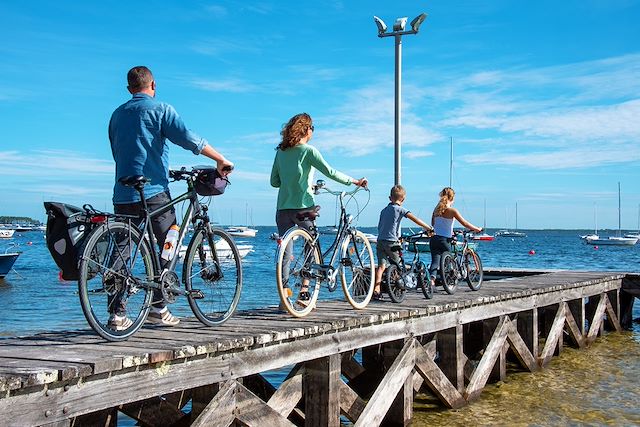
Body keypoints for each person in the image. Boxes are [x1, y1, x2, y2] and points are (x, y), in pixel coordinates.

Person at [108, 65, 233, 330]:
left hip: (123, 190)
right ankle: (158, 306)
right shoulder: (161, 109)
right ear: (153, 85)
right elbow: (188, 138)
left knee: (124, 248)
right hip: (153, 191)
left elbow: (117, 151)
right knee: (170, 240)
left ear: (130, 89)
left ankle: (117, 314)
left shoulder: (117, 114)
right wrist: (220, 159)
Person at [270, 112, 367, 307]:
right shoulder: (309, 151)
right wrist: (354, 181)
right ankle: (305, 293)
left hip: (282, 209)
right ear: (306, 129)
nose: (313, 131)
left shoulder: (280, 152)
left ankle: (284, 299)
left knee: (286, 255)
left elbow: (274, 182)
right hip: (303, 206)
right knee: (310, 247)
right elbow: (330, 172)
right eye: (312, 128)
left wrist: (290, 181)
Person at [373, 185, 433, 300]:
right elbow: (415, 219)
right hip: (392, 242)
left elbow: (381, 226)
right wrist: (428, 228)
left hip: (380, 241)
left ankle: (377, 290)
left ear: (389, 198)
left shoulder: (383, 210)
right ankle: (399, 287)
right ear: (403, 199)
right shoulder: (400, 209)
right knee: (399, 265)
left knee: (381, 266)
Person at [429, 187, 482, 287]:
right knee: (449, 261)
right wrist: (477, 229)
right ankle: (450, 280)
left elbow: (433, 223)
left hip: (434, 239)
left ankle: (432, 280)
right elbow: (465, 223)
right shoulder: (452, 210)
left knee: (435, 261)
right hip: (444, 240)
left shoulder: (436, 210)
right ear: (452, 198)